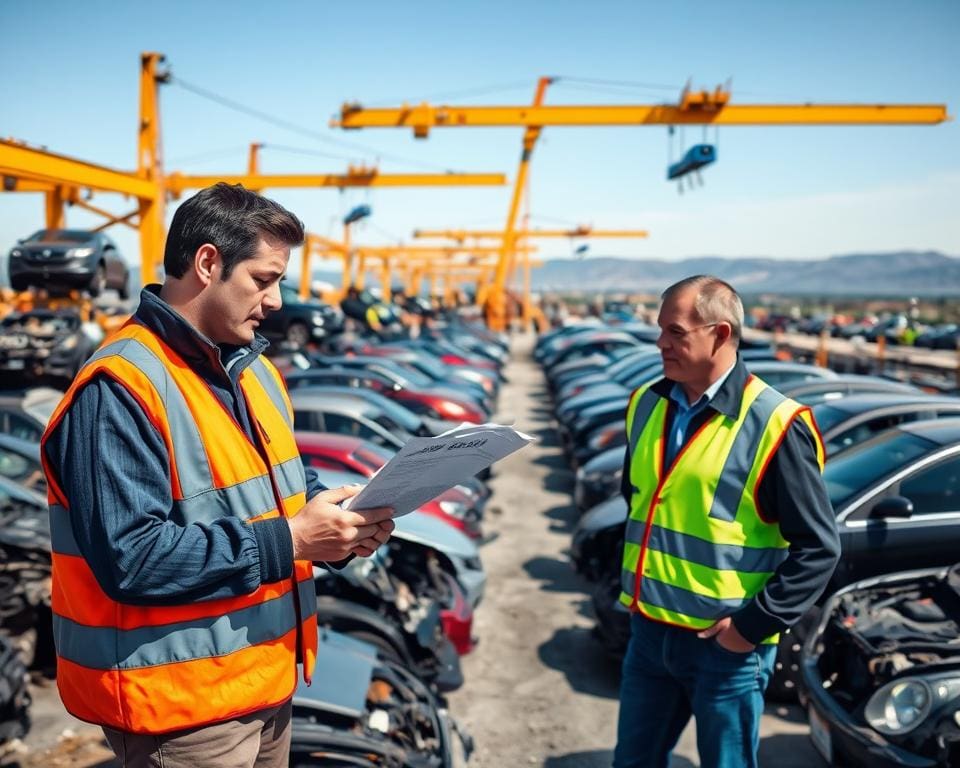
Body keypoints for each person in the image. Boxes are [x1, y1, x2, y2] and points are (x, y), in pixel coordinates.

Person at [40, 183, 395, 768]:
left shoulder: (252, 369)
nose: (277, 301)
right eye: (264, 279)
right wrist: (294, 540)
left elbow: (281, 491)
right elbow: (133, 556)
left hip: (265, 680)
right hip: (182, 713)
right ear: (208, 264)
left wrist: (339, 524)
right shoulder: (121, 388)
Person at [613, 275, 840, 768]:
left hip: (725, 649)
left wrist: (749, 628)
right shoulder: (647, 403)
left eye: (675, 332)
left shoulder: (777, 424)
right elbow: (639, 503)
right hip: (650, 635)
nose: (661, 344)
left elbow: (819, 549)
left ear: (719, 334)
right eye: (660, 330)